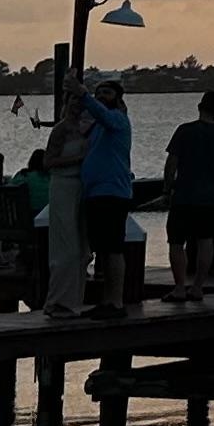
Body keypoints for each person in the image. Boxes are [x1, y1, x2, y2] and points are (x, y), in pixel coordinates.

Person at [163, 88, 214, 302]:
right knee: (205, 241)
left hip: (184, 195)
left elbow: (171, 163)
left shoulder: (184, 131)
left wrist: (167, 189)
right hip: (210, 197)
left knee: (176, 242)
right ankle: (198, 287)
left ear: (199, 107)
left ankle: (179, 287)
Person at [79, 76, 136, 317]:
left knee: (113, 248)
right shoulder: (97, 127)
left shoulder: (118, 119)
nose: (102, 96)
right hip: (95, 193)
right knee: (102, 249)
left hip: (112, 192)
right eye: (99, 92)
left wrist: (84, 95)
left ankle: (117, 302)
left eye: (107, 93)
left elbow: (101, 113)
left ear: (118, 99)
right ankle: (106, 301)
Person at [40, 81, 90, 316]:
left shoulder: (88, 128)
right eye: (73, 100)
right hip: (63, 186)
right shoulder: (60, 129)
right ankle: (57, 301)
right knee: (66, 247)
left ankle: (74, 300)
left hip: (82, 188)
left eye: (81, 100)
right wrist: (78, 159)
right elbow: (48, 161)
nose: (77, 105)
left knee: (83, 250)